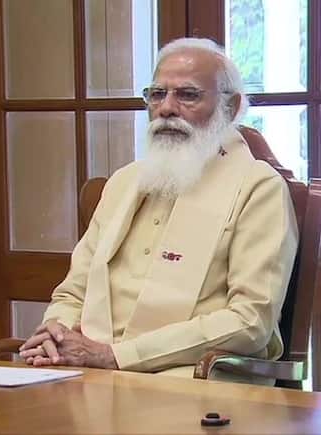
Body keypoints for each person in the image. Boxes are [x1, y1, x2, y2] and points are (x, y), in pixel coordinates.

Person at [18, 37, 298, 383]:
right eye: (157, 94)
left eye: (187, 95)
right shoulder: (124, 182)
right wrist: (56, 333)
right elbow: (73, 292)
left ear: (230, 106)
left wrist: (115, 356)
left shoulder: (258, 188)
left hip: (191, 379)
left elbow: (250, 321)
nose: (166, 108)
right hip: (89, 371)